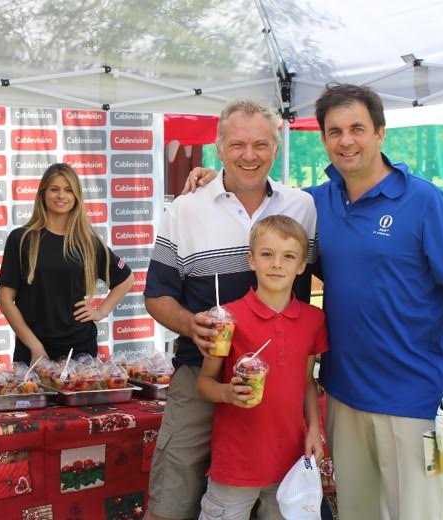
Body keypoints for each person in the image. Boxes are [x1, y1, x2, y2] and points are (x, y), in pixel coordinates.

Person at [183, 83, 443, 520]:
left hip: (412, 395)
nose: (346, 141)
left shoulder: (424, 201)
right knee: (357, 511)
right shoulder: (316, 202)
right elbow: (262, 201)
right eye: (335, 131)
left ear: (380, 132)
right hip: (344, 394)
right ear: (323, 138)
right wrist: (216, 179)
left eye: (357, 128)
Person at [143, 99, 318, 520]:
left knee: (275, 504)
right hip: (200, 374)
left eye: (261, 144)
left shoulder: (303, 206)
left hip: (277, 385)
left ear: (276, 147)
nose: (249, 155)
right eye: (237, 144)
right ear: (219, 146)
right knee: (171, 504)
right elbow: (156, 295)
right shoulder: (186, 208)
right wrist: (192, 325)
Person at [196, 215, 328, 520]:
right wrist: (228, 393)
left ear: (302, 266)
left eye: (289, 256)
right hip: (236, 463)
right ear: (251, 260)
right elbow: (203, 383)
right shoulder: (227, 319)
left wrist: (314, 429)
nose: (277, 264)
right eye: (267, 254)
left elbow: (307, 382)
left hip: (290, 463)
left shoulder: (313, 320)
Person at [0, 163, 134, 364]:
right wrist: (34, 346)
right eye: (54, 189)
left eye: (68, 190)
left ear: (76, 196)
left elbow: (126, 279)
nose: (61, 196)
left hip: (80, 350)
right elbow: (5, 300)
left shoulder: (87, 242)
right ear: (43, 194)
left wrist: (101, 311)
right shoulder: (21, 239)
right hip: (32, 351)